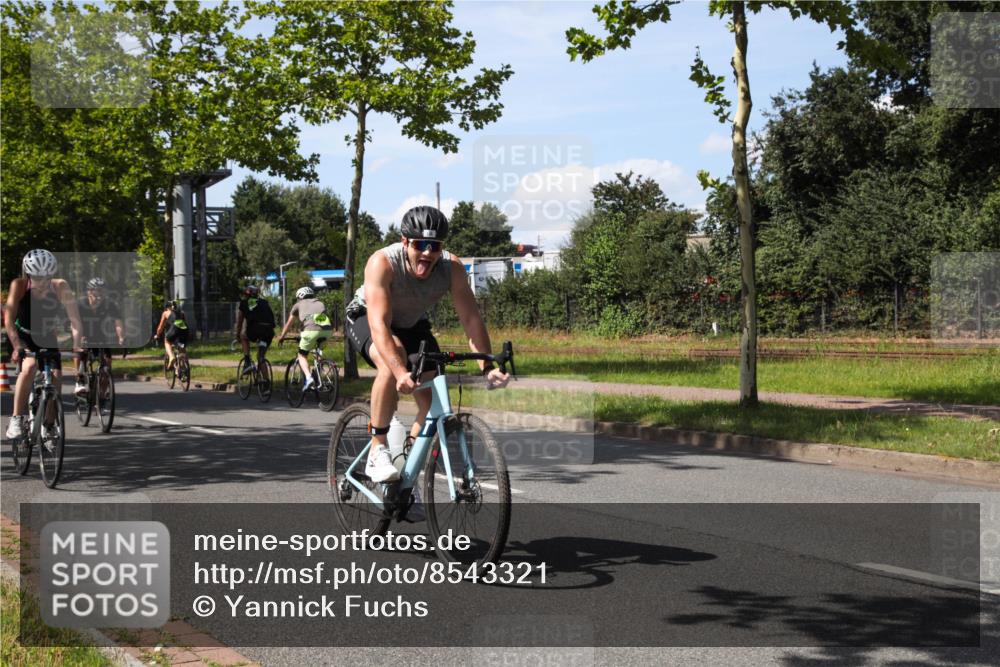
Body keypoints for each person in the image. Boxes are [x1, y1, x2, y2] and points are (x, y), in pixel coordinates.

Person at [345, 206, 509, 484]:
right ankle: (377, 449)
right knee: (391, 356)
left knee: (431, 401)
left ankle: (407, 472)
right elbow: (379, 326)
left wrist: (487, 367)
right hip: (366, 317)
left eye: (434, 246)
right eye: (420, 245)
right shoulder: (382, 262)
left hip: (412, 324)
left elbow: (470, 318)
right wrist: (399, 372)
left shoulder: (451, 268)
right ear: (405, 241)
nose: (427, 253)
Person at [4, 249, 83, 441]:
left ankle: (48, 424)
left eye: (46, 277)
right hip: (22, 335)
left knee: (56, 377)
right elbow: (8, 319)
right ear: (28, 274)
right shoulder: (19, 285)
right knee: (30, 366)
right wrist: (16, 345)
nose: (42, 281)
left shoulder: (60, 287)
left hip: (47, 336)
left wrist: (76, 345)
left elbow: (75, 321)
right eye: (37, 277)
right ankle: (16, 417)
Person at [74, 277, 125, 396]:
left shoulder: (110, 304)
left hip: (99, 335)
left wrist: (121, 337)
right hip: (82, 333)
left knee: (107, 363)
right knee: (80, 353)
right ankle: (79, 379)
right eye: (97, 290)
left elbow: (118, 322)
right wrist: (79, 337)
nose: (100, 294)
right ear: (89, 292)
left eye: (103, 291)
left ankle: (101, 393)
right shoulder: (80, 304)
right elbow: (74, 322)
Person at [277, 286, 332, 391]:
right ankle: (319, 373)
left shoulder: (298, 305)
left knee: (302, 355)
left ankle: (308, 378)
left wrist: (282, 336)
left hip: (310, 331)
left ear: (299, 297)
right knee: (318, 350)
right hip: (327, 330)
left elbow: (289, 323)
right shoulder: (320, 303)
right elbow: (321, 318)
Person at [234, 284, 276, 370]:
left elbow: (240, 322)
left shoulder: (244, 303)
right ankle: (265, 381)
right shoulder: (264, 302)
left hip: (255, 331)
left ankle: (247, 360)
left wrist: (237, 335)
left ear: (246, 295)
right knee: (261, 358)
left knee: (243, 336)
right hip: (268, 332)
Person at [154, 300, 189, 369]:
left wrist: (157, 335)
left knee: (167, 341)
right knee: (181, 347)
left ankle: (171, 356)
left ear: (167, 307)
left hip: (175, 328)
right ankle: (183, 367)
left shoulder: (166, 313)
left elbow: (160, 327)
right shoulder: (182, 312)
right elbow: (184, 322)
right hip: (184, 329)